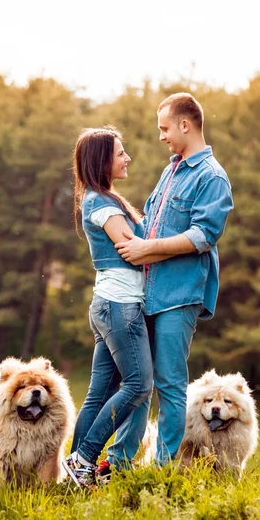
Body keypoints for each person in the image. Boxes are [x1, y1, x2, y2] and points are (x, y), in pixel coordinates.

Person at [104, 92, 233, 468]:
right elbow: (152, 224)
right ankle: (119, 464)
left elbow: (201, 236)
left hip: (180, 296)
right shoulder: (171, 168)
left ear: (185, 125)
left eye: (164, 128)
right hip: (149, 291)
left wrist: (147, 249)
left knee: (169, 386)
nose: (161, 136)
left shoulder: (212, 177)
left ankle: (161, 470)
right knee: (138, 384)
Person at [64, 126, 159, 487]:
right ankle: (85, 458)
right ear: (101, 159)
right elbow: (134, 250)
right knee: (137, 385)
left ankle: (75, 472)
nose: (127, 157)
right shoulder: (100, 203)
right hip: (120, 306)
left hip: (108, 304)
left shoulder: (102, 198)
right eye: (120, 152)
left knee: (100, 392)